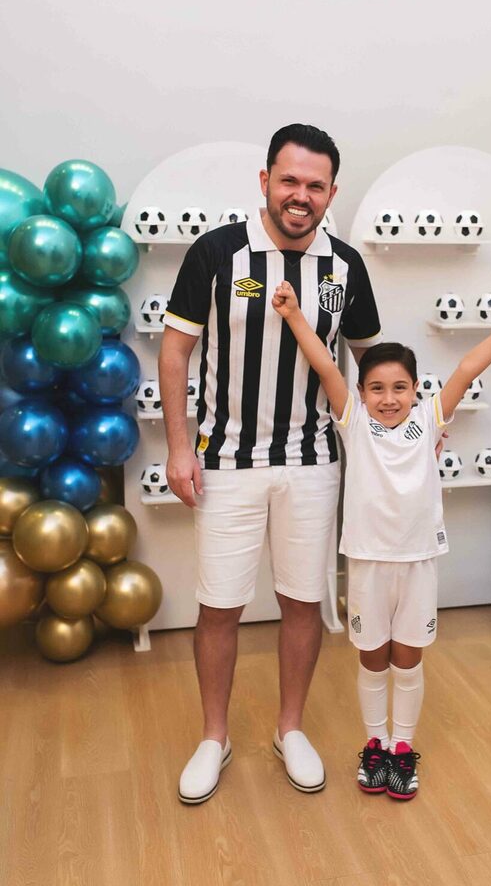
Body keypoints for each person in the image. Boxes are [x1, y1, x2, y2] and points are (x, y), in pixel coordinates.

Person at [159, 124, 382, 803]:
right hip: (226, 460)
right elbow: (175, 351)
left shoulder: (345, 267)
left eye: (315, 185)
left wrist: (398, 438)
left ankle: (291, 730)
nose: (300, 195)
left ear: (331, 193)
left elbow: (371, 361)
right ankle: (214, 737)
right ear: (265, 181)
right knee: (219, 606)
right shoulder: (216, 253)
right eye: (289, 180)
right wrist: (178, 447)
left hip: (313, 462)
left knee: (302, 600)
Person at [272, 281, 491, 800]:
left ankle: (402, 749)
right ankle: (375, 745)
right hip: (368, 560)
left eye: (399, 388)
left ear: (415, 390)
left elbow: (467, 369)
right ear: (362, 392)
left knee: (408, 659)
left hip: (418, 560)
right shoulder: (353, 422)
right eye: (376, 388)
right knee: (373, 657)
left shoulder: (429, 420)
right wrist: (295, 315)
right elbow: (326, 366)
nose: (388, 399)